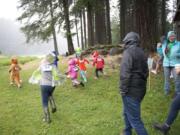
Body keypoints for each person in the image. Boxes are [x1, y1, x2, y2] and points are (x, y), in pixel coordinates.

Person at [120, 32, 149, 135]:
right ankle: (127, 132)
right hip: (141, 90)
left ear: (127, 41)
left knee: (135, 120)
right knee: (126, 112)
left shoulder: (128, 53)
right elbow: (146, 72)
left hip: (131, 91)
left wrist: (123, 90)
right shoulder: (142, 52)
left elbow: (125, 74)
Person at [29, 53, 65, 123]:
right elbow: (57, 74)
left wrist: (33, 78)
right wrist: (62, 78)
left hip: (44, 85)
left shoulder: (42, 66)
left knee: (44, 102)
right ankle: (53, 106)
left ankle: (47, 118)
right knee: (50, 94)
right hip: (52, 85)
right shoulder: (53, 66)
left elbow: (36, 72)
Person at [157, 31, 180, 95]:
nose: (172, 37)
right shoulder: (165, 44)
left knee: (177, 79)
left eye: (173, 36)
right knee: (166, 79)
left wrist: (177, 54)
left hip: (176, 64)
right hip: (166, 64)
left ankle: (178, 92)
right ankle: (166, 91)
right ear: (168, 37)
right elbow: (161, 53)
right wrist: (158, 48)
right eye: (170, 36)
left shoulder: (178, 44)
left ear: (175, 37)